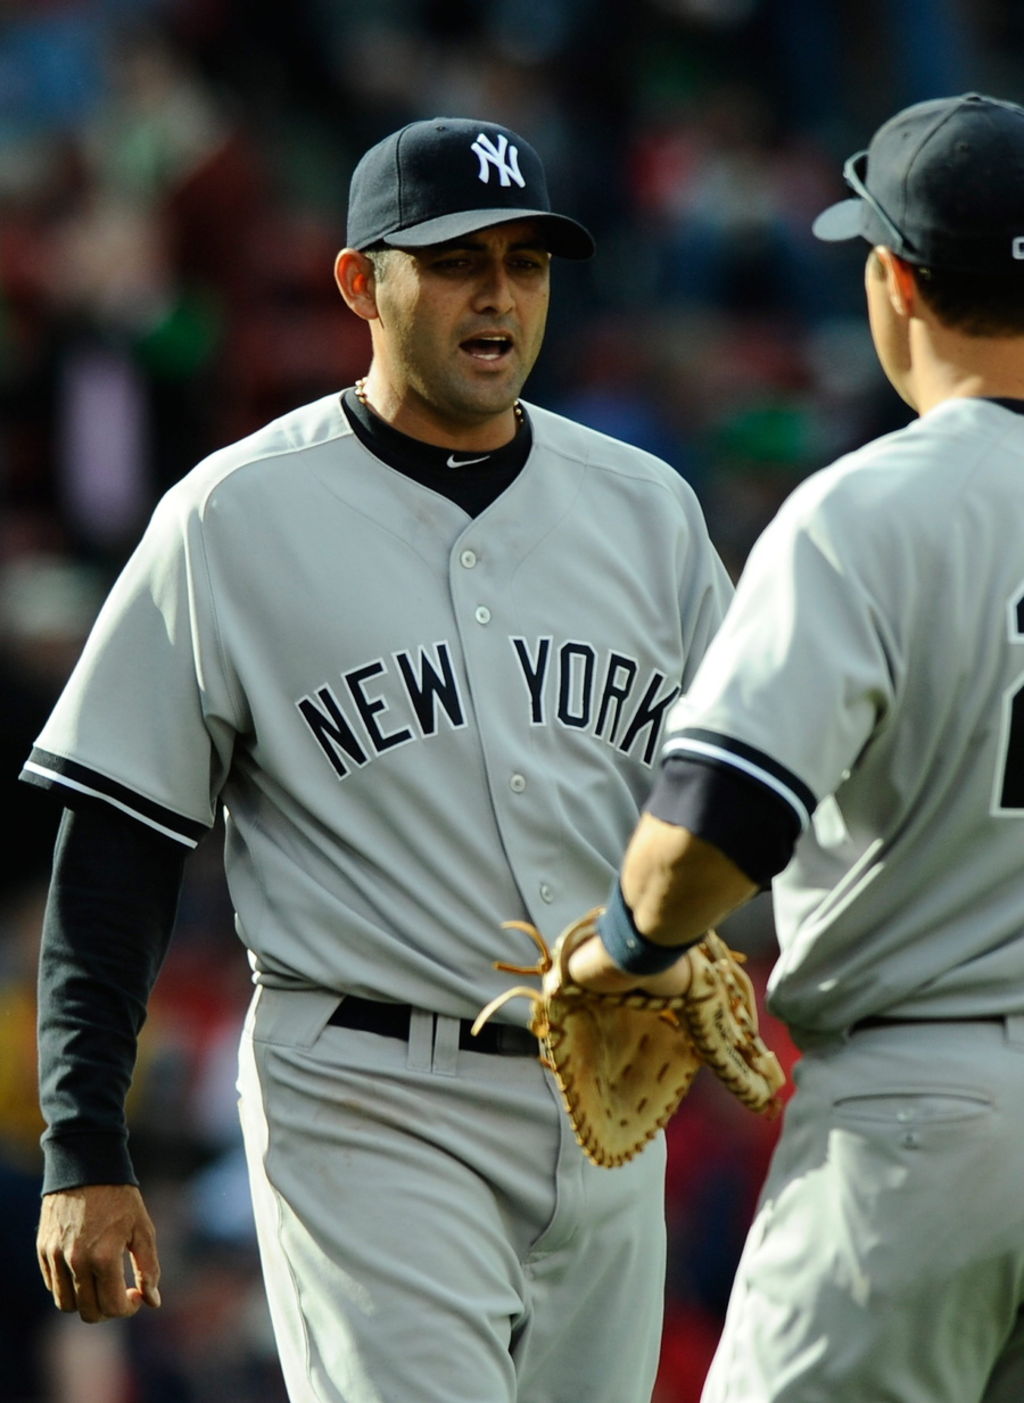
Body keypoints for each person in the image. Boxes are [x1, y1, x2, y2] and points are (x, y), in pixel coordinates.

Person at [21, 116, 734, 1403]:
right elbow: (117, 841)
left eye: (528, 262)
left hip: (609, 1099)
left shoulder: (647, 508)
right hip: (366, 1097)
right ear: (361, 282)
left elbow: (735, 784)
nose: (500, 294)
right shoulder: (234, 515)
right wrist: (84, 1145)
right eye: (460, 260)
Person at [561, 92, 1024, 1402]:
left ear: (893, 280)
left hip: (928, 1115)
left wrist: (624, 947)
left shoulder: (868, 510)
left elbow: (703, 843)